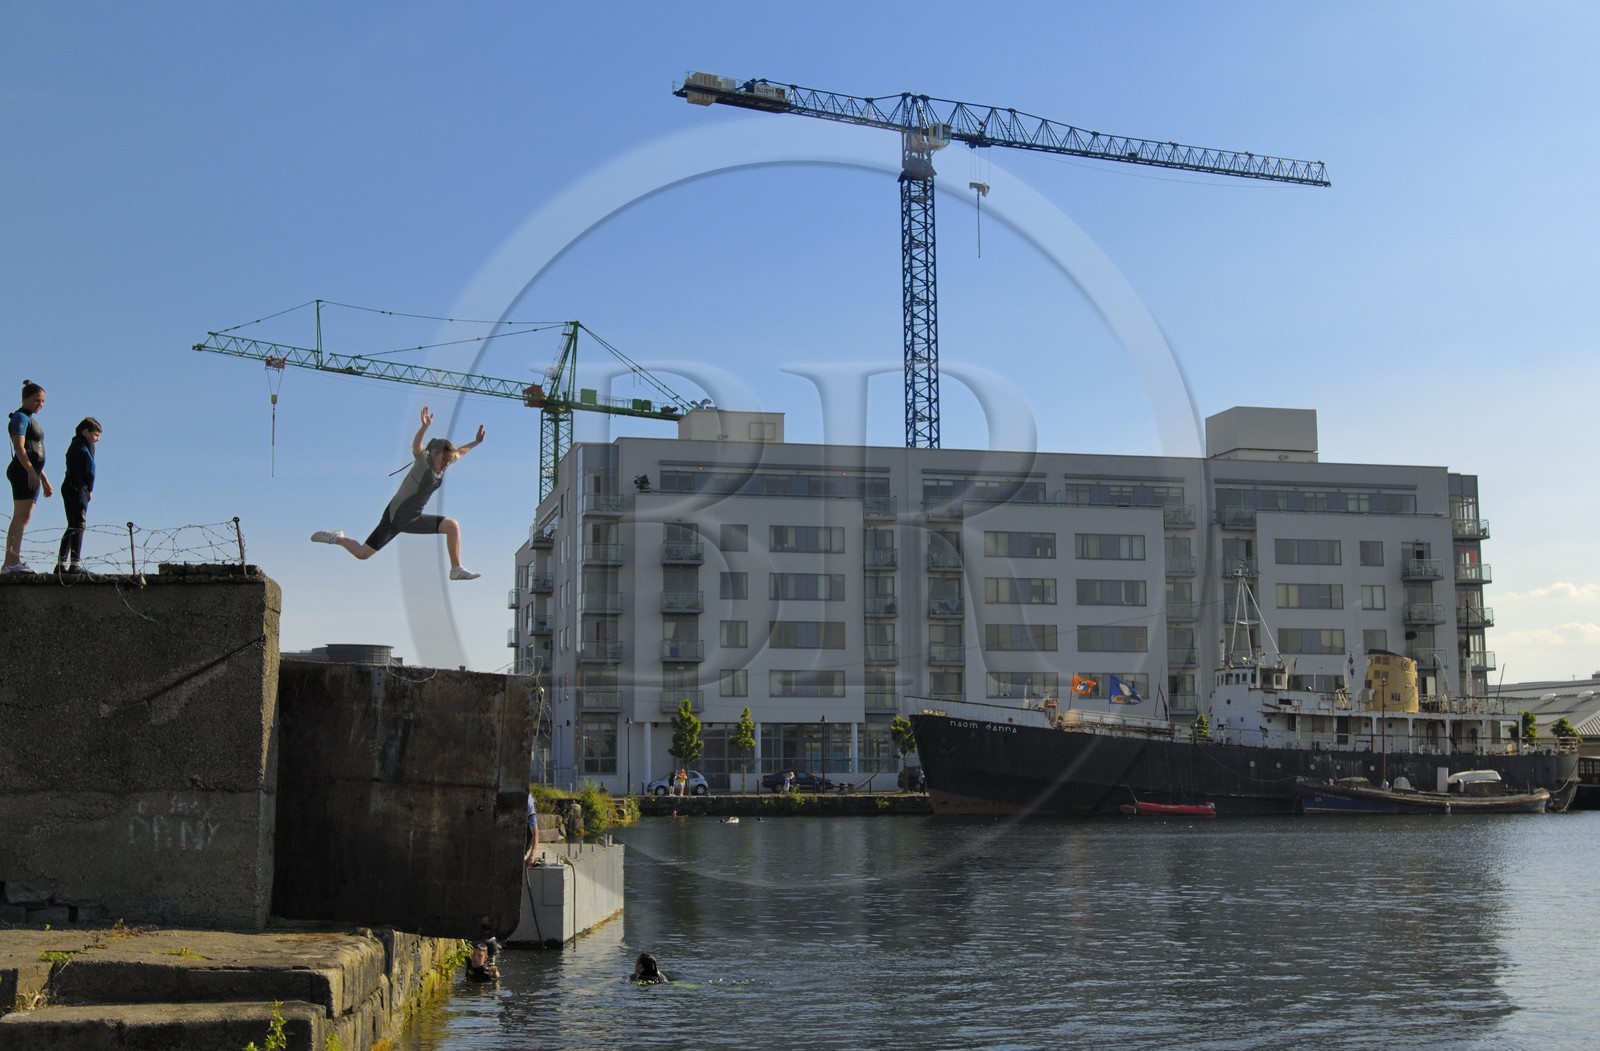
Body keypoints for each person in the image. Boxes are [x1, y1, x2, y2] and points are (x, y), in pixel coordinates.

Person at [310, 406, 485, 580]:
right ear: (433, 453)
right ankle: (336, 538)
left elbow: (459, 454)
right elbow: (417, 446)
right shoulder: (423, 463)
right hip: (395, 517)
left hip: (414, 519)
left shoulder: (442, 466)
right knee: (362, 554)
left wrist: (475, 442)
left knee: (452, 526)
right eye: (444, 459)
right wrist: (424, 427)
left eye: (448, 461)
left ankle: (455, 569)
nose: (447, 463)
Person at [5, 380, 51, 573]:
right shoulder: (20, 417)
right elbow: (20, 447)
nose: (39, 404)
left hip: (32, 472)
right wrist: (31, 471)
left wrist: (43, 477)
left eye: (42, 402)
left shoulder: (31, 419)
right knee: (20, 516)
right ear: (25, 399)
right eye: (36, 400)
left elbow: (35, 451)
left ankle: (13, 559)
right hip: (23, 471)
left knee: (25, 517)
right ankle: (11, 562)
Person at [55, 417, 101, 573]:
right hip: (79, 486)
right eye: (96, 435)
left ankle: (61, 563)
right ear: (86, 432)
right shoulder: (86, 444)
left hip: (67, 484)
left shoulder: (73, 444)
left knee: (71, 524)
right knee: (79, 524)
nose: (96, 440)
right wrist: (90, 488)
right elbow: (90, 468)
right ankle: (75, 564)